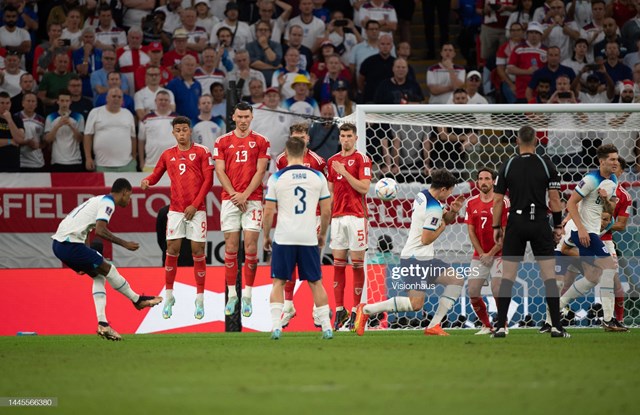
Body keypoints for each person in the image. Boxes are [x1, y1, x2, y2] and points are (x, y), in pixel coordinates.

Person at [353, 169, 465, 336]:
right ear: (443, 189)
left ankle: (434, 326)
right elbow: (426, 239)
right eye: (449, 191)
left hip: (424, 258)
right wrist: (442, 227)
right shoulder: (433, 208)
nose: (449, 195)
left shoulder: (423, 195)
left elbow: (443, 218)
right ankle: (367, 309)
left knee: (456, 280)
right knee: (415, 304)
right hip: (415, 259)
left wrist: (453, 211)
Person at [51, 178, 163, 341]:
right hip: (69, 245)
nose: (129, 200)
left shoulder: (96, 200)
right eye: (129, 196)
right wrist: (124, 243)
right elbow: (100, 231)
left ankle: (103, 324)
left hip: (60, 245)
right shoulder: (108, 202)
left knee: (99, 275)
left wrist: (85, 254)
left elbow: (87, 230)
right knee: (109, 269)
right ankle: (137, 300)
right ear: (124, 192)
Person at [492, 125, 569, 338]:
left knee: (507, 277)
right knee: (549, 277)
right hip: (539, 223)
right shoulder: (547, 165)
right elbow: (555, 200)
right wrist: (558, 226)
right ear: (536, 140)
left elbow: (498, 200)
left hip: (515, 223)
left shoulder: (507, 166)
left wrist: (496, 227)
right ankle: (556, 327)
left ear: (517, 141)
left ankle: (500, 327)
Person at [141, 116, 214, 320]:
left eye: (184, 129)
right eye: (178, 130)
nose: (182, 133)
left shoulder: (202, 152)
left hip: (196, 210)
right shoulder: (167, 154)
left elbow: (208, 181)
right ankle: (169, 295)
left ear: (190, 131)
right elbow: (156, 174)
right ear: (173, 133)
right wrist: (148, 180)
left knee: (197, 251)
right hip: (176, 210)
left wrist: (195, 205)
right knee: (171, 250)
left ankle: (199, 299)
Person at [263, 136, 333, 340]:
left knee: (278, 282)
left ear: (285, 153)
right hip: (308, 236)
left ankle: (276, 326)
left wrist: (266, 236)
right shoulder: (317, 177)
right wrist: (321, 234)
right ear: (304, 153)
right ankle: (327, 326)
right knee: (316, 282)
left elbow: (268, 211)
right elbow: (326, 210)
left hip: (284, 236)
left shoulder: (277, 178)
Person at [557, 144, 624, 331]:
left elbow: (610, 209)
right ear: (601, 161)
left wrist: (604, 199)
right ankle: (609, 320)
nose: (615, 162)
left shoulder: (612, 181)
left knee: (594, 276)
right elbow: (571, 203)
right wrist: (582, 230)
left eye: (616, 159)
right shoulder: (590, 179)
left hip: (593, 231)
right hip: (585, 231)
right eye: (612, 159)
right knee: (609, 268)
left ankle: (556, 308)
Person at [214, 102, 271, 318]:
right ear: (233, 117)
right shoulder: (222, 141)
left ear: (252, 117)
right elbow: (219, 171)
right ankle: (232, 295)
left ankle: (247, 295)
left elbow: (261, 171)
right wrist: (235, 195)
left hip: (253, 200)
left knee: (250, 248)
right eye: (240, 116)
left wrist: (244, 195)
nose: (244, 120)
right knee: (230, 247)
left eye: (247, 116)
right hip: (230, 201)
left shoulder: (261, 141)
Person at [275, 123, 328, 327]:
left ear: (308, 139)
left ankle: (317, 309)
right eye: (295, 137)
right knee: (288, 263)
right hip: (290, 218)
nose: (299, 140)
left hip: (312, 218)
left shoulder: (317, 162)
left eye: (302, 137)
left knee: (313, 263)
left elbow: (324, 191)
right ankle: (288, 306)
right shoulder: (281, 160)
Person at [327, 123, 372, 330]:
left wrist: (344, 172)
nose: (345, 139)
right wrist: (327, 217)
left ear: (355, 138)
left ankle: (356, 309)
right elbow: (330, 192)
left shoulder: (362, 159)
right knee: (337, 264)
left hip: (356, 217)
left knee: (356, 264)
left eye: (349, 136)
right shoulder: (332, 161)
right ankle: (339, 310)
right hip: (337, 218)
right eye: (342, 136)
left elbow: (364, 188)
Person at [465, 168, 509, 334]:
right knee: (473, 291)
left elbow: (505, 232)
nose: (483, 182)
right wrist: (482, 254)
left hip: (500, 253)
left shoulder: (503, 202)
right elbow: (471, 231)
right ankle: (486, 325)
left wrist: (490, 253)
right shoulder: (471, 203)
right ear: (477, 182)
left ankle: (502, 324)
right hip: (480, 255)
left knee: (497, 288)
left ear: (493, 182)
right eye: (480, 179)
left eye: (487, 179)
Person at [84, 87, 137, 172]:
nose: (116, 99)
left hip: (127, 165)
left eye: (119, 97)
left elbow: (133, 138)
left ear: (122, 100)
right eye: (114, 96)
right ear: (107, 98)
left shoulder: (128, 114)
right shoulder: (95, 112)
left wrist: (134, 158)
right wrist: (88, 158)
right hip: (102, 165)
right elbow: (87, 136)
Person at [44, 89, 85, 172]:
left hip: (75, 160)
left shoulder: (79, 117)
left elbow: (81, 139)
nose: (64, 103)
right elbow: (47, 139)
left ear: (70, 102)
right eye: (62, 101)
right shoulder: (51, 117)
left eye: (67, 101)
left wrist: (71, 126)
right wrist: (58, 126)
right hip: (57, 160)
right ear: (58, 101)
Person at [0, 90, 25, 172]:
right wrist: (10, 141)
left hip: (13, 164)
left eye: (7, 103)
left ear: (11, 104)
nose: (5, 106)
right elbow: (15, 140)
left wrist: (9, 120)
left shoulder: (17, 119)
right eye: (2, 103)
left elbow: (20, 139)